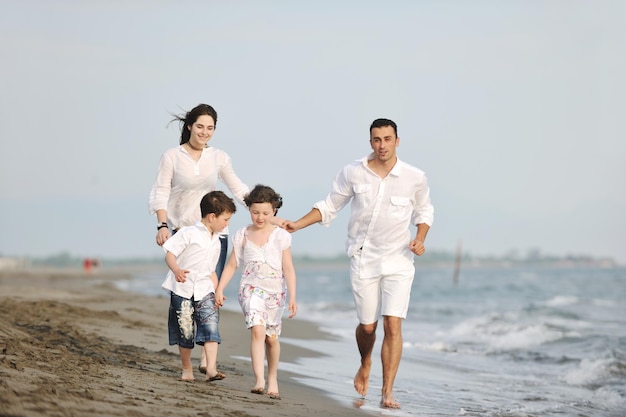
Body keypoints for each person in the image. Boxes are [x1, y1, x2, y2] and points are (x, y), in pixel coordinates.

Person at [283, 118, 434, 409]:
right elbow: (329, 205)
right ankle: (365, 362)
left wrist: (420, 237)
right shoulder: (354, 172)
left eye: (388, 139)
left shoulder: (415, 177)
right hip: (363, 257)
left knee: (393, 325)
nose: (382, 146)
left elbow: (424, 211)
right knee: (367, 328)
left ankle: (387, 391)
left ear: (397, 141)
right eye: (377, 140)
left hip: (399, 258)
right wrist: (297, 225)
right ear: (370, 142)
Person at [149, 103, 249, 373]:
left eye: (211, 128)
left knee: (210, 292)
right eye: (201, 126)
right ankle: (185, 349)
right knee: (184, 295)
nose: (205, 132)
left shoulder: (218, 157)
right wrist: (162, 224)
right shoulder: (172, 156)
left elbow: (238, 188)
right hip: (183, 233)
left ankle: (208, 357)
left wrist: (265, 210)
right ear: (190, 125)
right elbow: (160, 192)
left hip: (215, 235)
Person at [215, 185, 297, 400]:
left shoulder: (280, 236)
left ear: (274, 212)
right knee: (258, 331)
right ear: (249, 209)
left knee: (271, 338)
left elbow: (288, 268)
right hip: (250, 289)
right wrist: (220, 288)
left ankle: (272, 379)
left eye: (265, 213)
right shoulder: (242, 234)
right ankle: (259, 379)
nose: (260, 217)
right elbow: (232, 265)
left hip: (276, 293)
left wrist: (293, 298)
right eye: (255, 212)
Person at [161, 190, 236, 382]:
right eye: (225, 220)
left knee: (211, 327)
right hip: (183, 290)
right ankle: (187, 369)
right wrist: (176, 269)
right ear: (212, 217)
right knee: (185, 331)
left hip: (205, 290)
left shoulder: (217, 241)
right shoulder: (188, 232)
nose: (227, 224)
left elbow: (212, 271)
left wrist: (218, 291)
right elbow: (169, 252)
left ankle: (211, 368)